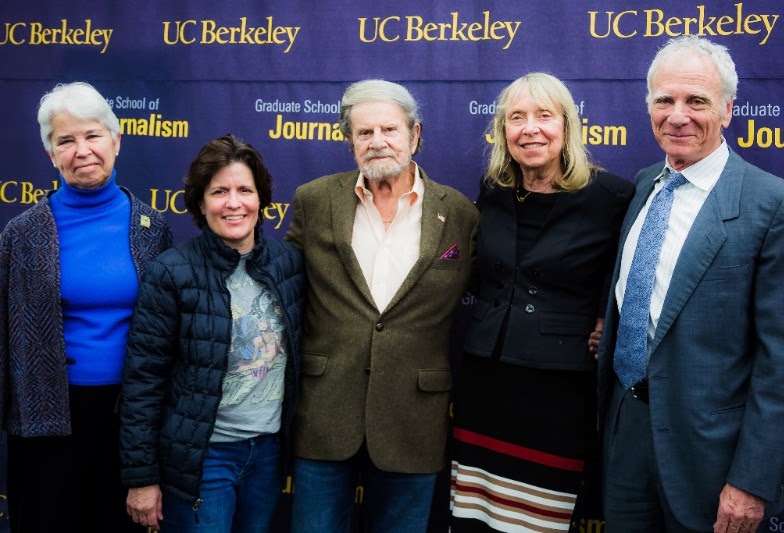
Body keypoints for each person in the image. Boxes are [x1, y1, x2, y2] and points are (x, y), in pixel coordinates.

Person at [598, 36, 784, 533]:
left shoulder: (775, 206)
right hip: (625, 436)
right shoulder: (644, 184)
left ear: (728, 110)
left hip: (712, 458)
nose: (677, 115)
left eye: (697, 101)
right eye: (664, 100)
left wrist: (752, 480)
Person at [285, 79, 478, 532]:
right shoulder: (314, 200)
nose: (377, 142)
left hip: (415, 417)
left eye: (389, 130)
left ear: (414, 135)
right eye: (364, 132)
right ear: (349, 140)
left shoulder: (460, 212)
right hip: (324, 411)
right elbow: (281, 288)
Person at [448, 73, 633, 531]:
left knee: (536, 520)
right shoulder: (491, 192)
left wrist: (608, 321)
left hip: (557, 390)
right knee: (473, 515)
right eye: (516, 118)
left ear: (567, 126)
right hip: (483, 383)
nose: (530, 129)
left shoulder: (611, 197)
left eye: (544, 116)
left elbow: (642, 274)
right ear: (503, 131)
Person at [0, 81, 172, 533]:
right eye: (66, 140)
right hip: (45, 416)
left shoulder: (152, 228)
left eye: (93, 136)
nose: (82, 151)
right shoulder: (22, 234)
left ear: (117, 140)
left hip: (129, 415)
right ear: (50, 154)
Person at [118, 134, 305, 532]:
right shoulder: (171, 272)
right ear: (201, 203)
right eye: (220, 191)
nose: (234, 203)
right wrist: (142, 479)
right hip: (203, 458)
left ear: (261, 199)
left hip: (269, 453)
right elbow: (143, 382)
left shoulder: (289, 263)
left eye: (245, 190)